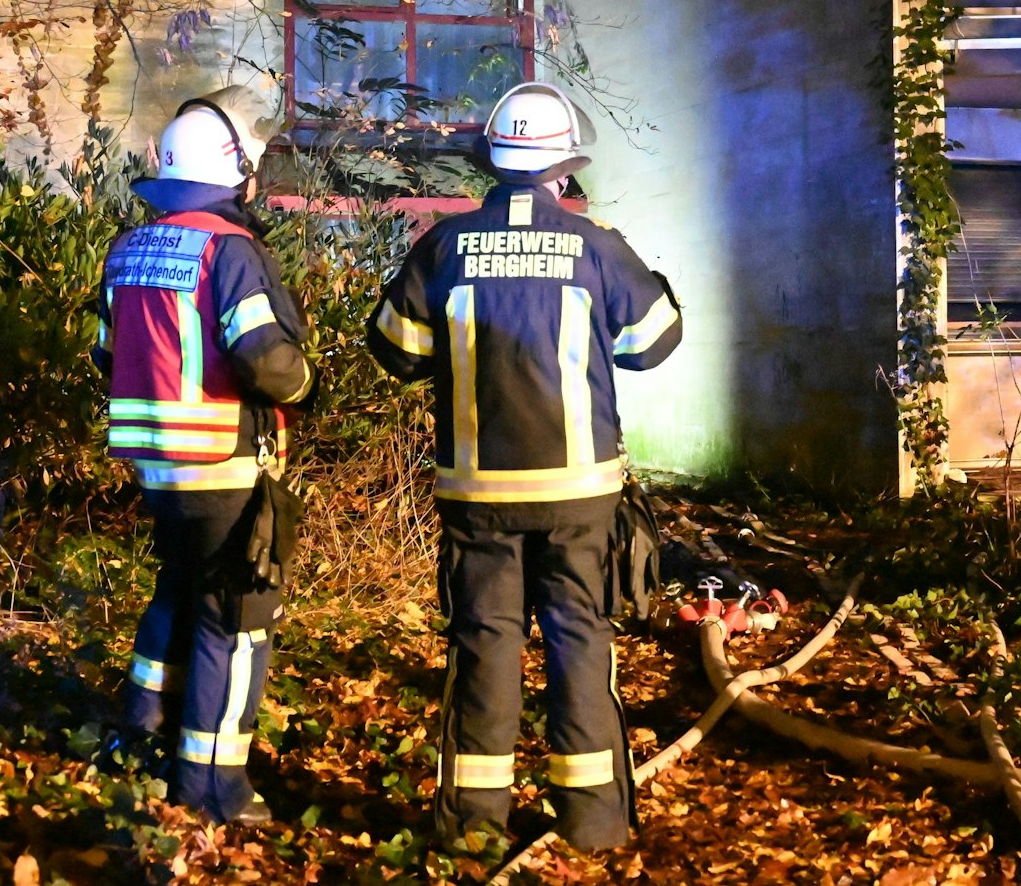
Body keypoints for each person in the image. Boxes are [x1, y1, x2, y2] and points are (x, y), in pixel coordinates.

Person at [367, 81, 682, 850]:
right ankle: (595, 822)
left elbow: (395, 350)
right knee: (580, 635)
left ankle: (474, 824)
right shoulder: (598, 244)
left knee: (485, 639)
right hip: (579, 493)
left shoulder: (444, 246)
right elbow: (653, 343)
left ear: (492, 166)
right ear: (564, 171)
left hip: (478, 491)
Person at [95, 86, 315, 823]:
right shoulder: (231, 250)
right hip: (224, 465)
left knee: (177, 592)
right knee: (238, 622)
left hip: (158, 467)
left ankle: (140, 729)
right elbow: (265, 360)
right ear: (236, 172)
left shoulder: (127, 249)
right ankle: (211, 785)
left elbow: (107, 353)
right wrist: (308, 377)